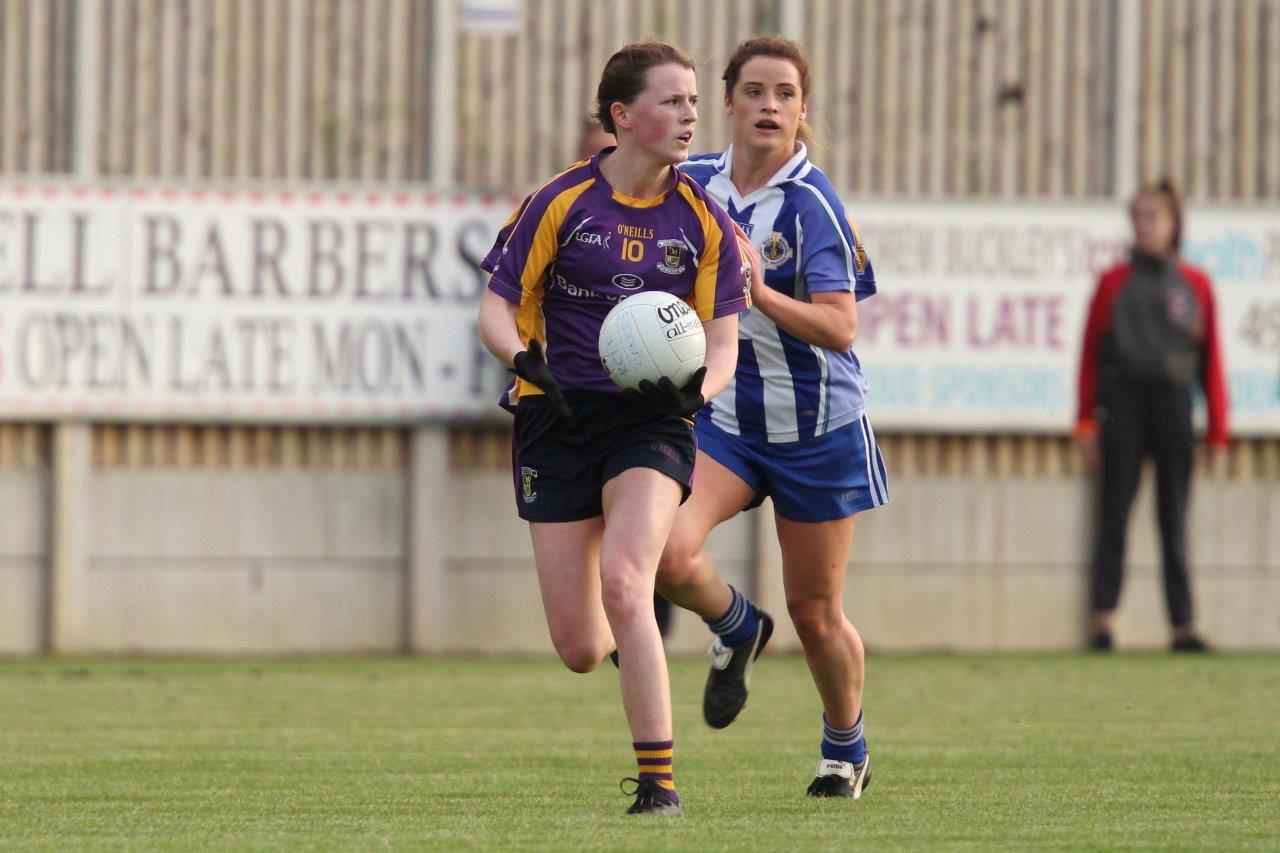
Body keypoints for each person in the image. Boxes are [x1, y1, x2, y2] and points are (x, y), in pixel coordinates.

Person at [476, 42, 752, 816]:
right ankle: (673, 645)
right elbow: (494, 308)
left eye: (695, 101)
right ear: (623, 116)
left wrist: (697, 389)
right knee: (577, 646)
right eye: (672, 101)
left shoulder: (704, 221)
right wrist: (524, 357)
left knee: (628, 579)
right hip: (555, 413)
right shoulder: (558, 202)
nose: (690, 115)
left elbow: (723, 342)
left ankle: (659, 784)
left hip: (651, 422)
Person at [657, 37, 885, 799]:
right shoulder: (687, 184)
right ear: (727, 102)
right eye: (754, 91)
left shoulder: (811, 202)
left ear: (802, 110)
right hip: (725, 420)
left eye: (785, 94)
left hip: (817, 429)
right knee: (664, 551)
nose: (769, 106)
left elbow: (841, 326)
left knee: (816, 613)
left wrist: (759, 289)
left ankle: (844, 749)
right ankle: (734, 627)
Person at [1075, 178, 1228, 653]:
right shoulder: (1112, 283)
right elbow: (1089, 355)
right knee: (1114, 511)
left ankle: (1182, 626)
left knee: (1174, 515)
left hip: (1174, 403)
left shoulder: (1195, 283)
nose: (1144, 226)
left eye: (1153, 216)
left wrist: (1218, 426)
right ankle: (1103, 621)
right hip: (1122, 403)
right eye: (1137, 217)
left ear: (1173, 223)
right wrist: (1085, 419)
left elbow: (1212, 358)